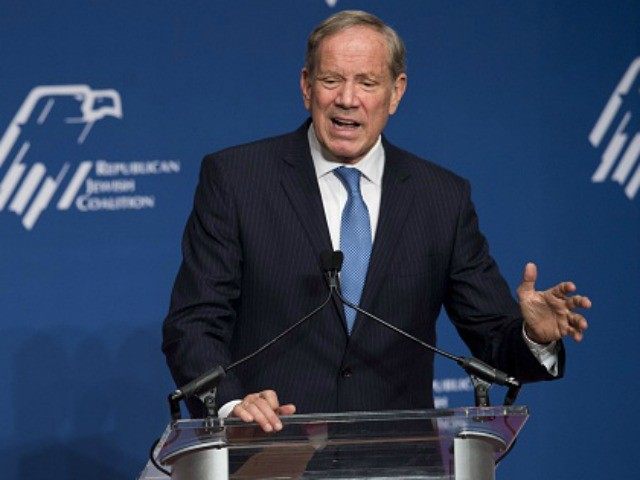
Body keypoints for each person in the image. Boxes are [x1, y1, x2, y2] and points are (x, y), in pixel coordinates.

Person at [162, 10, 590, 433]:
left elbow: (495, 341)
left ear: (396, 92)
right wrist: (233, 405)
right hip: (269, 447)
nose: (347, 99)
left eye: (367, 82)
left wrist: (535, 336)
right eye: (331, 80)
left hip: (398, 457)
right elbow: (194, 323)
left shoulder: (440, 198)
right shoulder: (238, 180)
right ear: (307, 86)